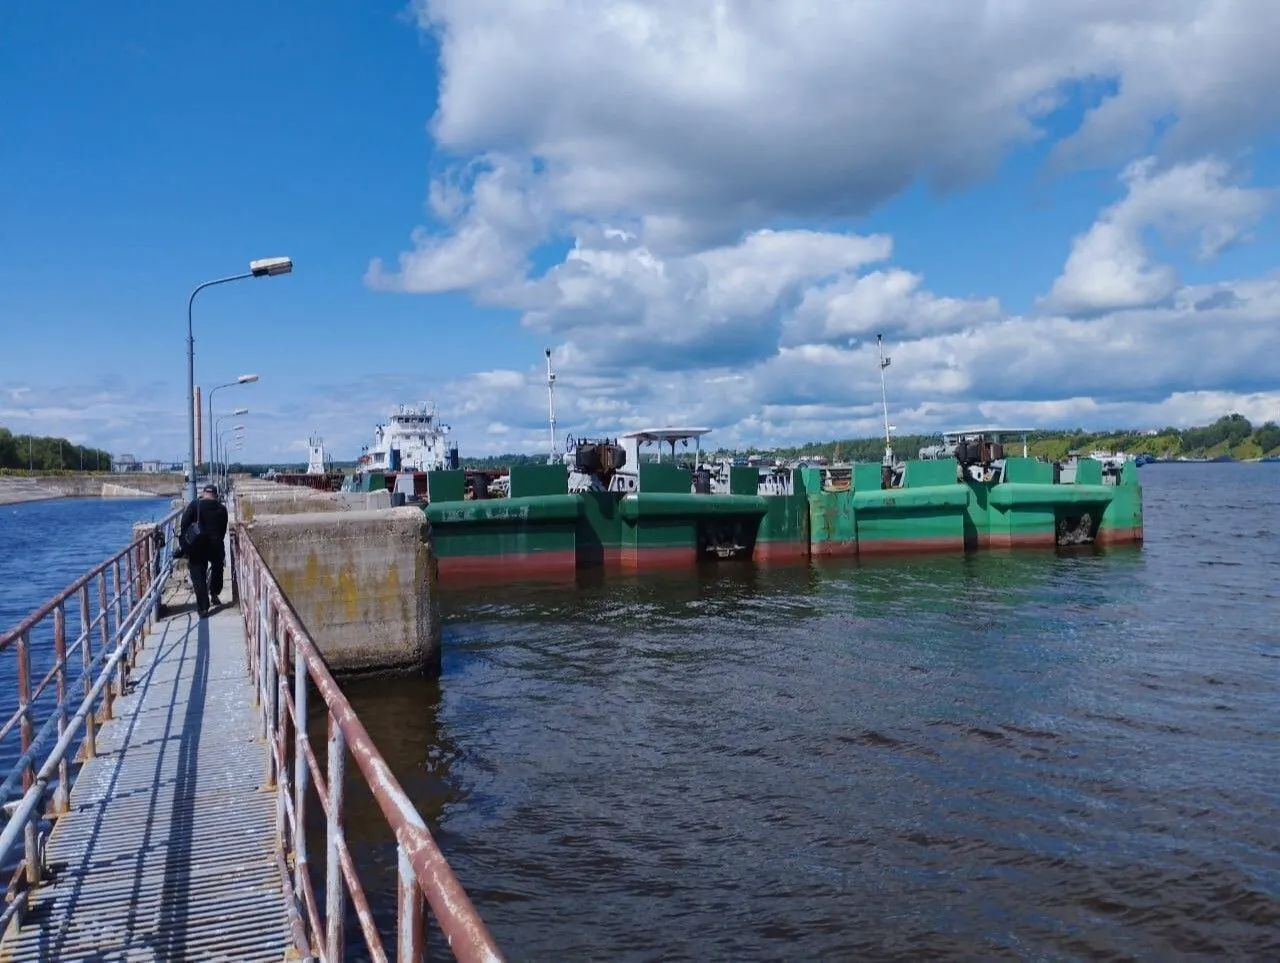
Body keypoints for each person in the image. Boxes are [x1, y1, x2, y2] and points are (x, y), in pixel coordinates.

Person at [179, 484, 229, 618]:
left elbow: (184, 524)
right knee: (218, 568)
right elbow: (223, 529)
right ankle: (214, 593)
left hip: (197, 546)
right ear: (216, 495)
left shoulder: (195, 505)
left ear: (203, 493)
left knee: (198, 576)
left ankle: (203, 608)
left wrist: (184, 543)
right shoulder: (222, 509)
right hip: (215, 545)